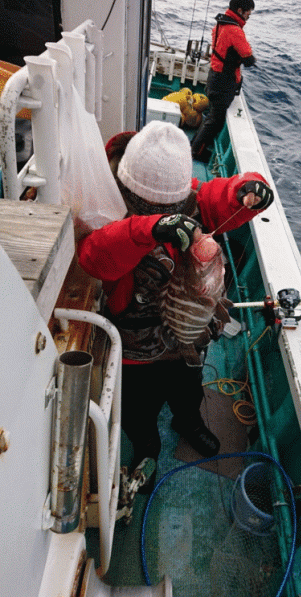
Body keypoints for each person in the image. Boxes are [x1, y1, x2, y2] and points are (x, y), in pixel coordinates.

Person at [77, 120, 274, 476]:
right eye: (149, 207)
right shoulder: (109, 209)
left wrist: (248, 190)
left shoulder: (189, 199)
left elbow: (218, 198)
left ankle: (189, 422)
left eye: (171, 206)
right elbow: (95, 256)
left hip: (187, 339)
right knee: (140, 408)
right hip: (136, 353)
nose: (165, 212)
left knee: (188, 389)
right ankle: (147, 443)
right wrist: (147, 228)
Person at [191, 0, 256, 161]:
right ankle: (195, 151)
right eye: (249, 12)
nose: (249, 15)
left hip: (214, 76)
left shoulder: (220, 24)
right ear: (240, 10)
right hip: (224, 82)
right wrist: (247, 59)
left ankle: (194, 145)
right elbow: (248, 57)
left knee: (212, 117)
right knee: (215, 121)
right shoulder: (235, 31)